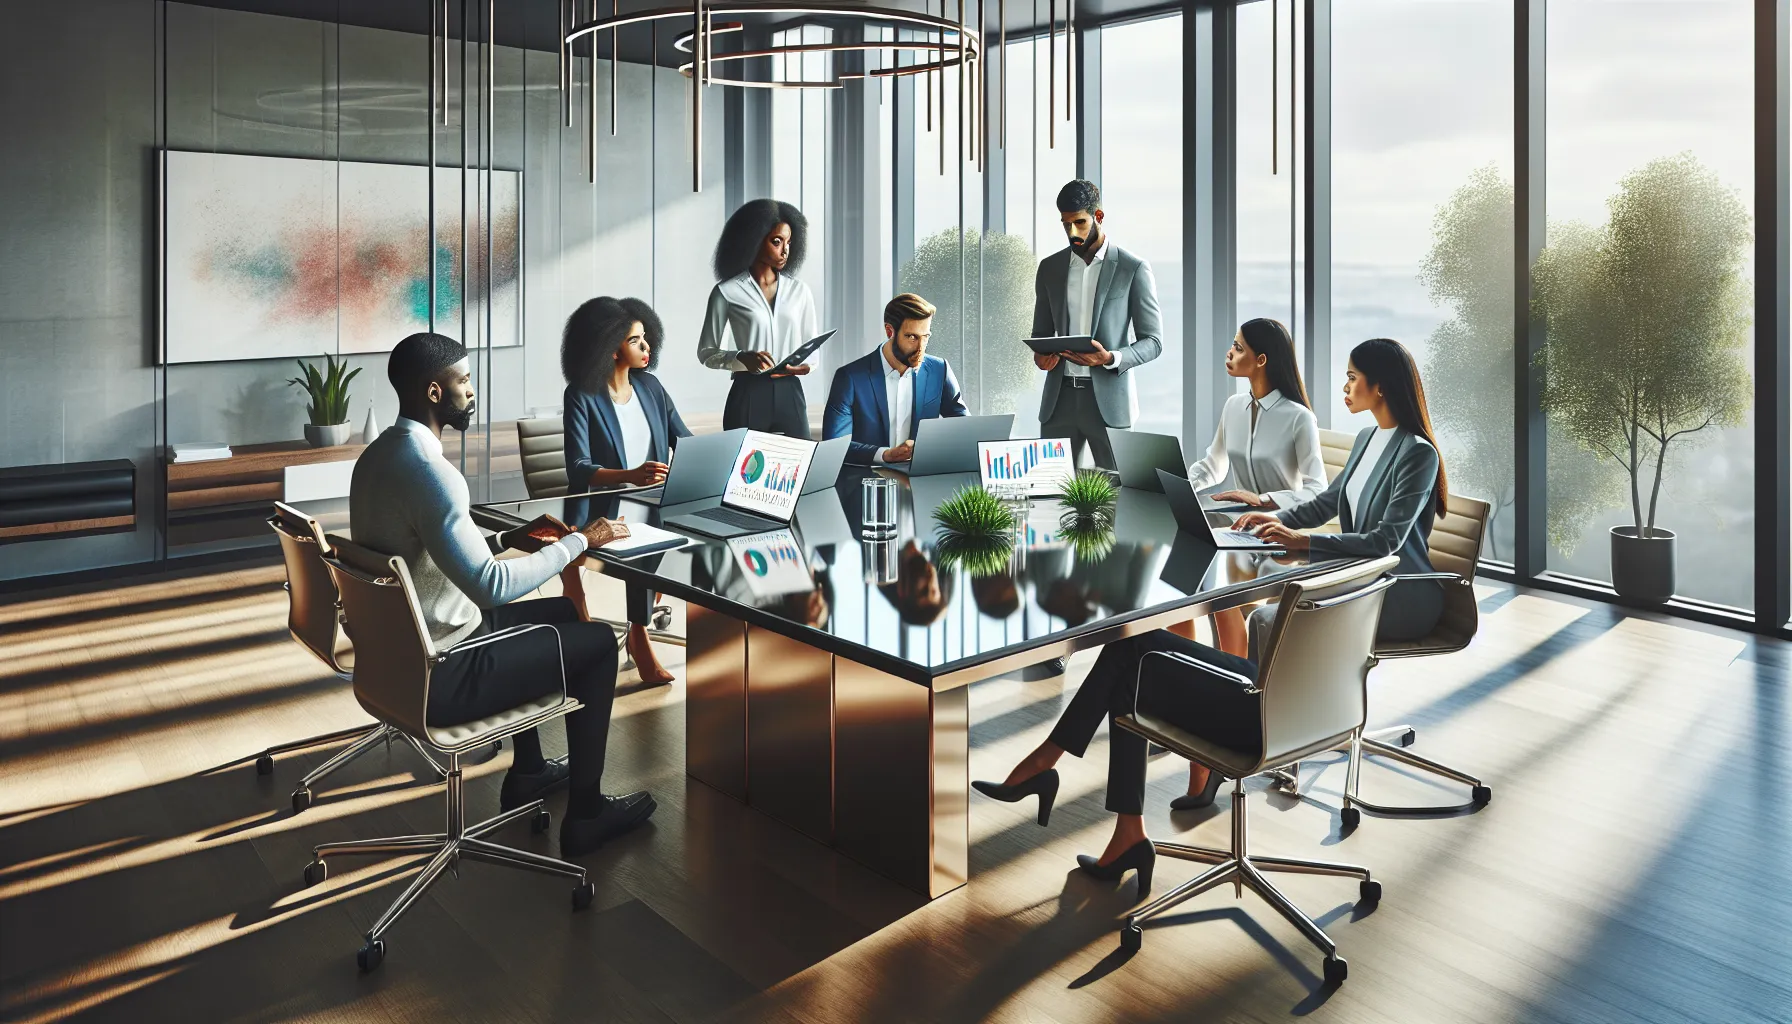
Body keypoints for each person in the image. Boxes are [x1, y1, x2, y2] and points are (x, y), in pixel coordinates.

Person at [971, 337, 1449, 894]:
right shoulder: (1368, 439)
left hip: (1395, 598)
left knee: (1132, 653)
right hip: (1341, 604)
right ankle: (1116, 822)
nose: (1343, 386)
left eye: (1351, 378)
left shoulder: (1418, 453)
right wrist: (1274, 520)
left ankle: (1050, 766)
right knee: (1132, 641)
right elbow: (1326, 505)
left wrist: (1302, 543)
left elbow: (1387, 541)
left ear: (1380, 386)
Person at [350, 332, 656, 858]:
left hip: (399, 659)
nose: (472, 391)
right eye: (464, 381)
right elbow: (490, 586)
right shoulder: (433, 474)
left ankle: (530, 771)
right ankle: (587, 814)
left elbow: (430, 553)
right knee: (598, 645)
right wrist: (582, 542)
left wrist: (507, 539)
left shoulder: (378, 456)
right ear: (433, 392)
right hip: (445, 673)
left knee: (563, 611)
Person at [561, 295, 690, 686]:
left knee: (677, 539)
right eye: (636, 340)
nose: (647, 347)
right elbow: (578, 467)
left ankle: (638, 626)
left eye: (646, 337)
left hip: (651, 504)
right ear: (611, 348)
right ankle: (637, 632)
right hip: (598, 508)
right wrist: (629, 475)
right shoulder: (582, 394)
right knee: (643, 547)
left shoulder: (651, 387)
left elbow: (684, 440)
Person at [1185, 317, 1326, 658]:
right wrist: (1183, 484)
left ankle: (1248, 670)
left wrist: (1262, 500)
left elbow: (1318, 489)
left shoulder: (1299, 418)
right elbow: (1213, 465)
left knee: (1242, 605)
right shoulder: (1233, 406)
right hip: (1239, 532)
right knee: (1196, 571)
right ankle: (1212, 663)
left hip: (1280, 536)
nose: (1229, 353)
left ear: (1261, 359)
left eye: (1238, 347)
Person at [1031, 179, 1164, 469]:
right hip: (1059, 402)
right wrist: (1041, 357)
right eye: (1066, 224)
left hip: (1110, 403)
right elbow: (1040, 333)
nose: (1072, 232)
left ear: (1098, 216)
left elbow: (1153, 342)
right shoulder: (1050, 268)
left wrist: (1111, 358)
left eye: (1079, 222)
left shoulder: (1133, 268)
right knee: (1051, 489)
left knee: (1119, 490)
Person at [697, 199, 821, 437]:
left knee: (801, 457)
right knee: (743, 461)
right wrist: (741, 358)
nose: (785, 250)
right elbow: (706, 352)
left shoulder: (800, 291)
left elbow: (812, 347)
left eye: (789, 242)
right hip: (748, 392)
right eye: (777, 241)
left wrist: (807, 366)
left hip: (790, 391)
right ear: (754, 239)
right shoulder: (727, 292)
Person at [822, 292, 968, 466]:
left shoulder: (939, 370)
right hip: (868, 478)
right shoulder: (850, 378)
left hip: (920, 477)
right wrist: (885, 455)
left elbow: (964, 429)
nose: (921, 348)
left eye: (926, 337)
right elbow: (834, 446)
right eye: (912, 337)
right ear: (890, 331)